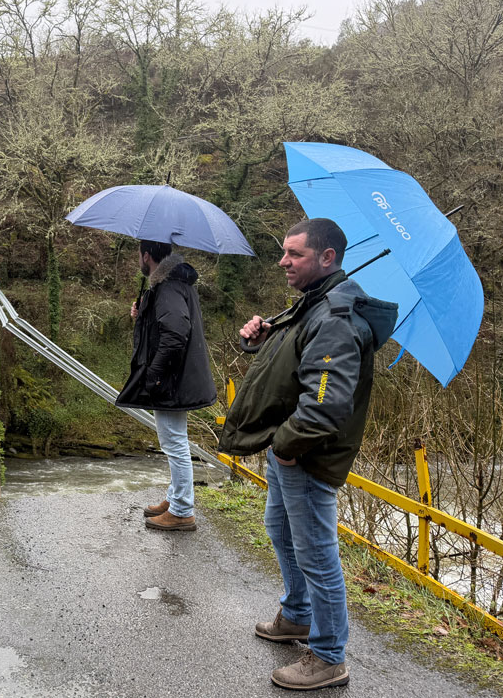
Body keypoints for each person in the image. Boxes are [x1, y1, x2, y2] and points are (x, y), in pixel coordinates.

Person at [219, 219, 398, 690]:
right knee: (279, 530)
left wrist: (286, 448)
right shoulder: (313, 303)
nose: (283, 261)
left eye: (294, 254)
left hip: (306, 455)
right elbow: (295, 362)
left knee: (317, 554)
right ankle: (297, 615)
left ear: (327, 258)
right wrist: (255, 339)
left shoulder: (336, 317)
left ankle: (328, 655)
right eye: (284, 252)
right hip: (289, 450)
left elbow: (325, 404)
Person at [116, 240, 216, 532]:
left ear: (146, 256)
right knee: (174, 440)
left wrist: (155, 375)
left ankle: (183, 510)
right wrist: (143, 314)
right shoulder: (174, 283)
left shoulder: (169, 287)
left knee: (174, 443)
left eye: (139, 254)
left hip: (173, 379)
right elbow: (169, 324)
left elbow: (175, 333)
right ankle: (175, 499)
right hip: (179, 377)